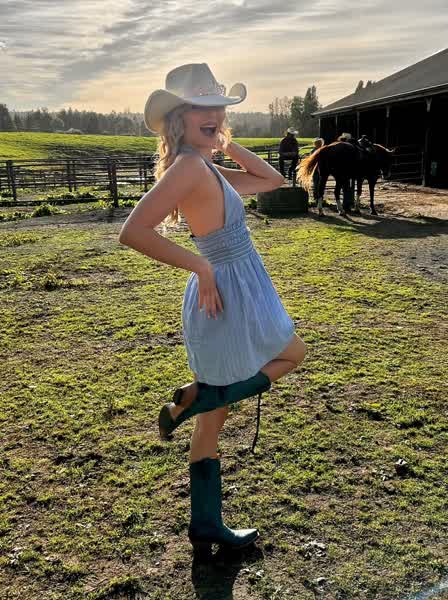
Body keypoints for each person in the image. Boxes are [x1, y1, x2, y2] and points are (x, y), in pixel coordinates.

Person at [118, 63, 307, 560]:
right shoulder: (187, 167)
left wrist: (226, 143)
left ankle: (205, 524)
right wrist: (200, 266)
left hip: (239, 287)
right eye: (200, 107)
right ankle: (195, 400)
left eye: (219, 107)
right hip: (224, 292)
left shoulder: (204, 166)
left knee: (215, 418)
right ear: (178, 118)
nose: (213, 114)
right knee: (293, 354)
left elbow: (270, 179)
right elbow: (133, 231)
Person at [310, 137, 324, 202]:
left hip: (318, 169)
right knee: (318, 184)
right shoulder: (321, 150)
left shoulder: (314, 151)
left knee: (317, 184)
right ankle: (318, 197)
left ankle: (317, 197)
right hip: (317, 169)